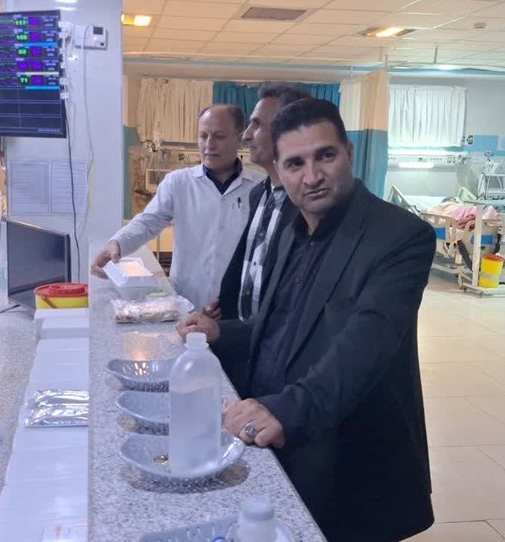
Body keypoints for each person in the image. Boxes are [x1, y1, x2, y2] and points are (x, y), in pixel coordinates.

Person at [177, 99, 435, 542]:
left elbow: (365, 346)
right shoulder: (291, 229)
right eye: (295, 163)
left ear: (349, 153)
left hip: (349, 458)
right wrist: (221, 331)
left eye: (325, 156)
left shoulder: (398, 237)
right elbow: (280, 329)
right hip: (283, 448)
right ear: (278, 168)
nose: (312, 176)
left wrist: (283, 410)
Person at [91, 104, 264, 310]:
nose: (209, 145)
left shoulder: (260, 187)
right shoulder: (178, 182)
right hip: (186, 302)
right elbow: (148, 222)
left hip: (237, 306)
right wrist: (117, 243)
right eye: (203, 136)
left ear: (239, 137)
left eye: (219, 136)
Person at [203, 84, 309, 323]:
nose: (246, 135)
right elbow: (250, 267)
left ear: (289, 132)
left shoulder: (307, 208)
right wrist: (224, 308)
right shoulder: (259, 194)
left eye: (258, 124)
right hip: (243, 336)